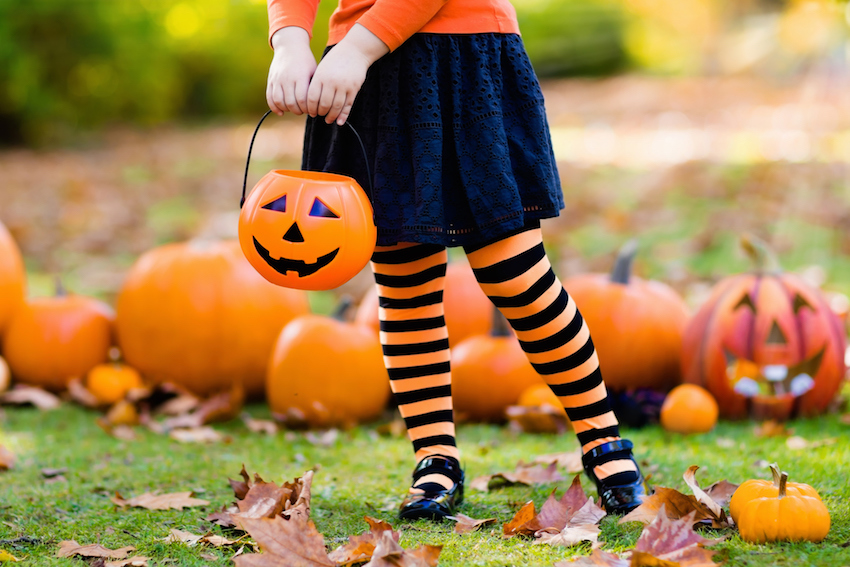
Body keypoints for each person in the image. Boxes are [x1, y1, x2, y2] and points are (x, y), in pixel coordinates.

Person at [265, 0, 649, 521]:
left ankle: (603, 442)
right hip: (365, 79)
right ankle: (434, 460)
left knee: (519, 277)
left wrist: (358, 46)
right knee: (403, 284)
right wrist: (288, 39)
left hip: (463, 60)